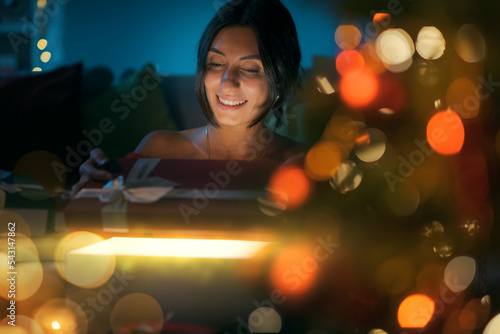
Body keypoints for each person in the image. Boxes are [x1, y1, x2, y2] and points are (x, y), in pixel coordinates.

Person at [71, 0, 305, 196]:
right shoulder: (158, 149)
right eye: (216, 63)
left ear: (281, 80)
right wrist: (92, 189)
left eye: (250, 68)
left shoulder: (301, 164)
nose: (226, 81)